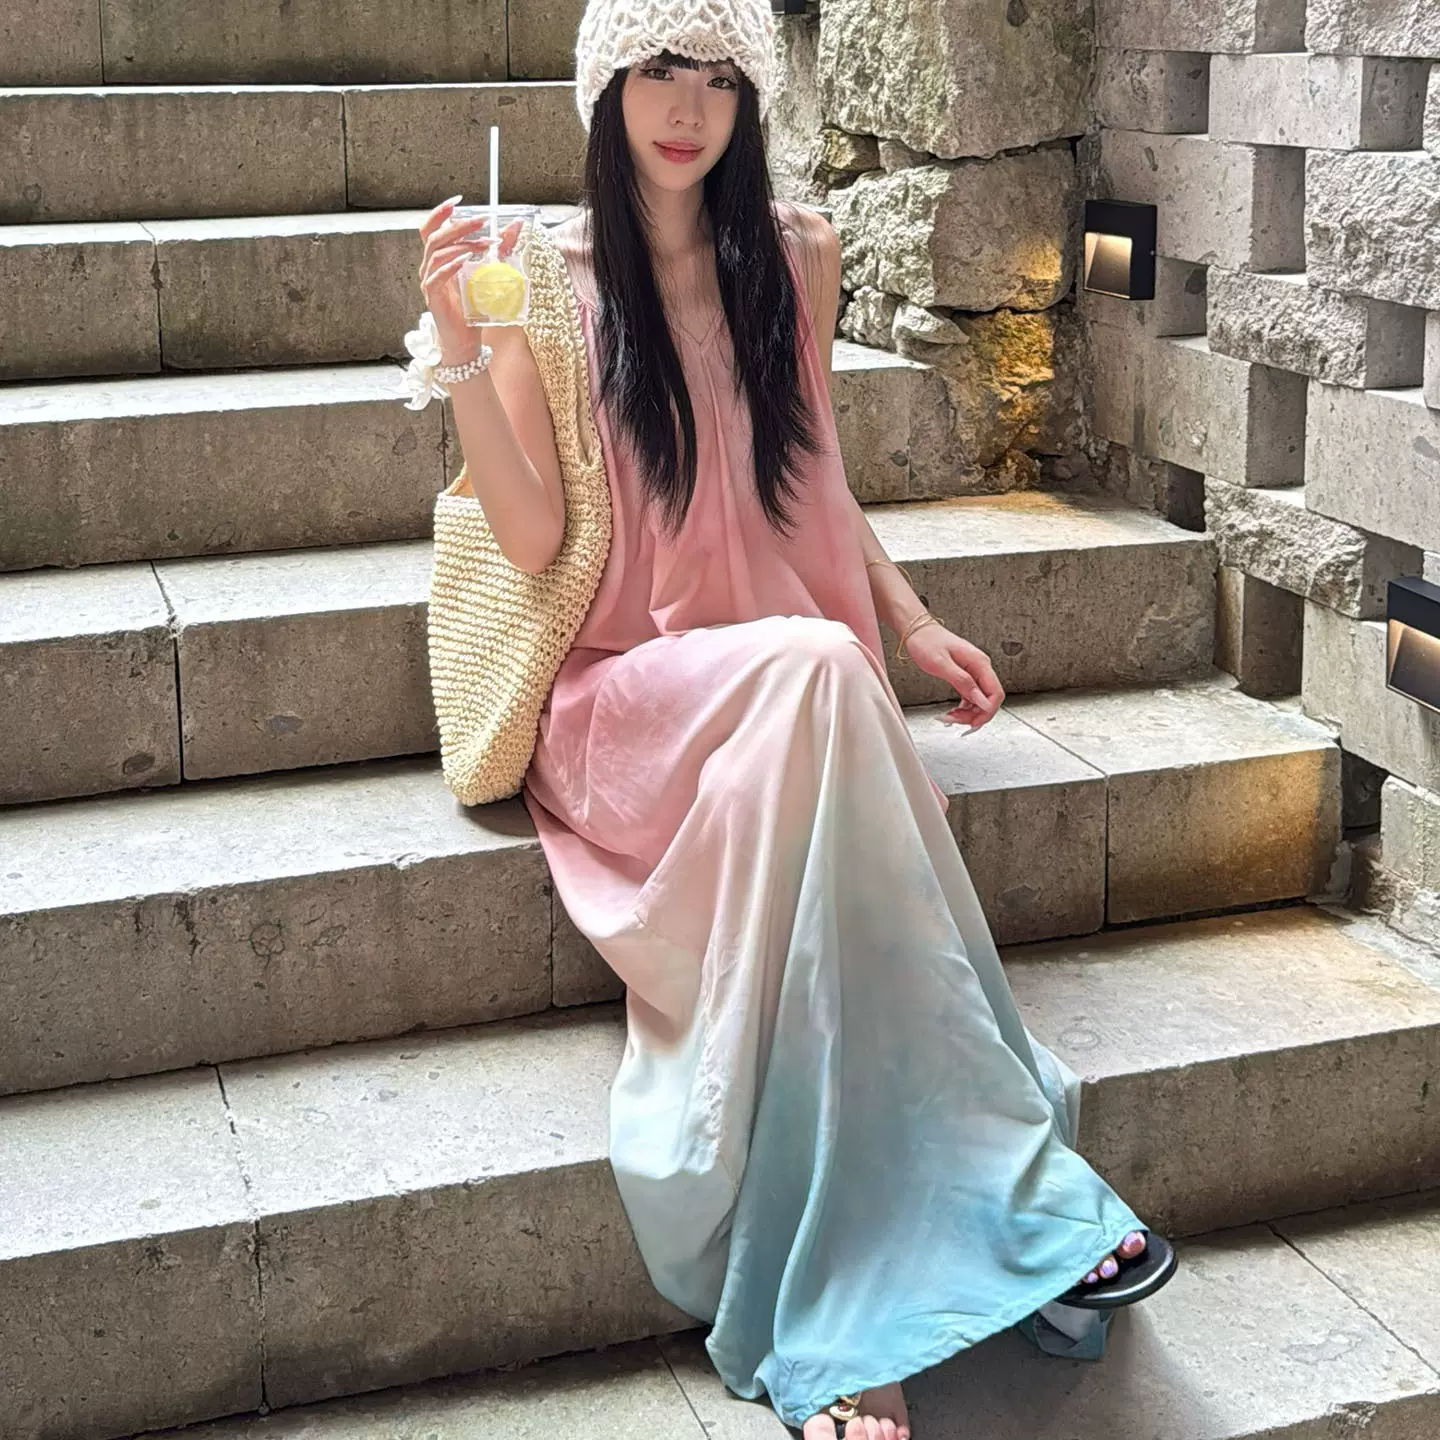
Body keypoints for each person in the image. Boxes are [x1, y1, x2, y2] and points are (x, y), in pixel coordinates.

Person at [413, 0, 1175, 1432]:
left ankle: (904, 1276)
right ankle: (1009, 1204)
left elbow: (811, 473)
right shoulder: (547, 283)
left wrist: (911, 621)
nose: (684, 107)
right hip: (627, 697)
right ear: (605, 89)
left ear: (750, 97)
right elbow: (529, 542)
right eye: (655, 71)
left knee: (824, 691)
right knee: (822, 674)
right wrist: (460, 344)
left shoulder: (794, 256)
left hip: (784, 678)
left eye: (716, 77)